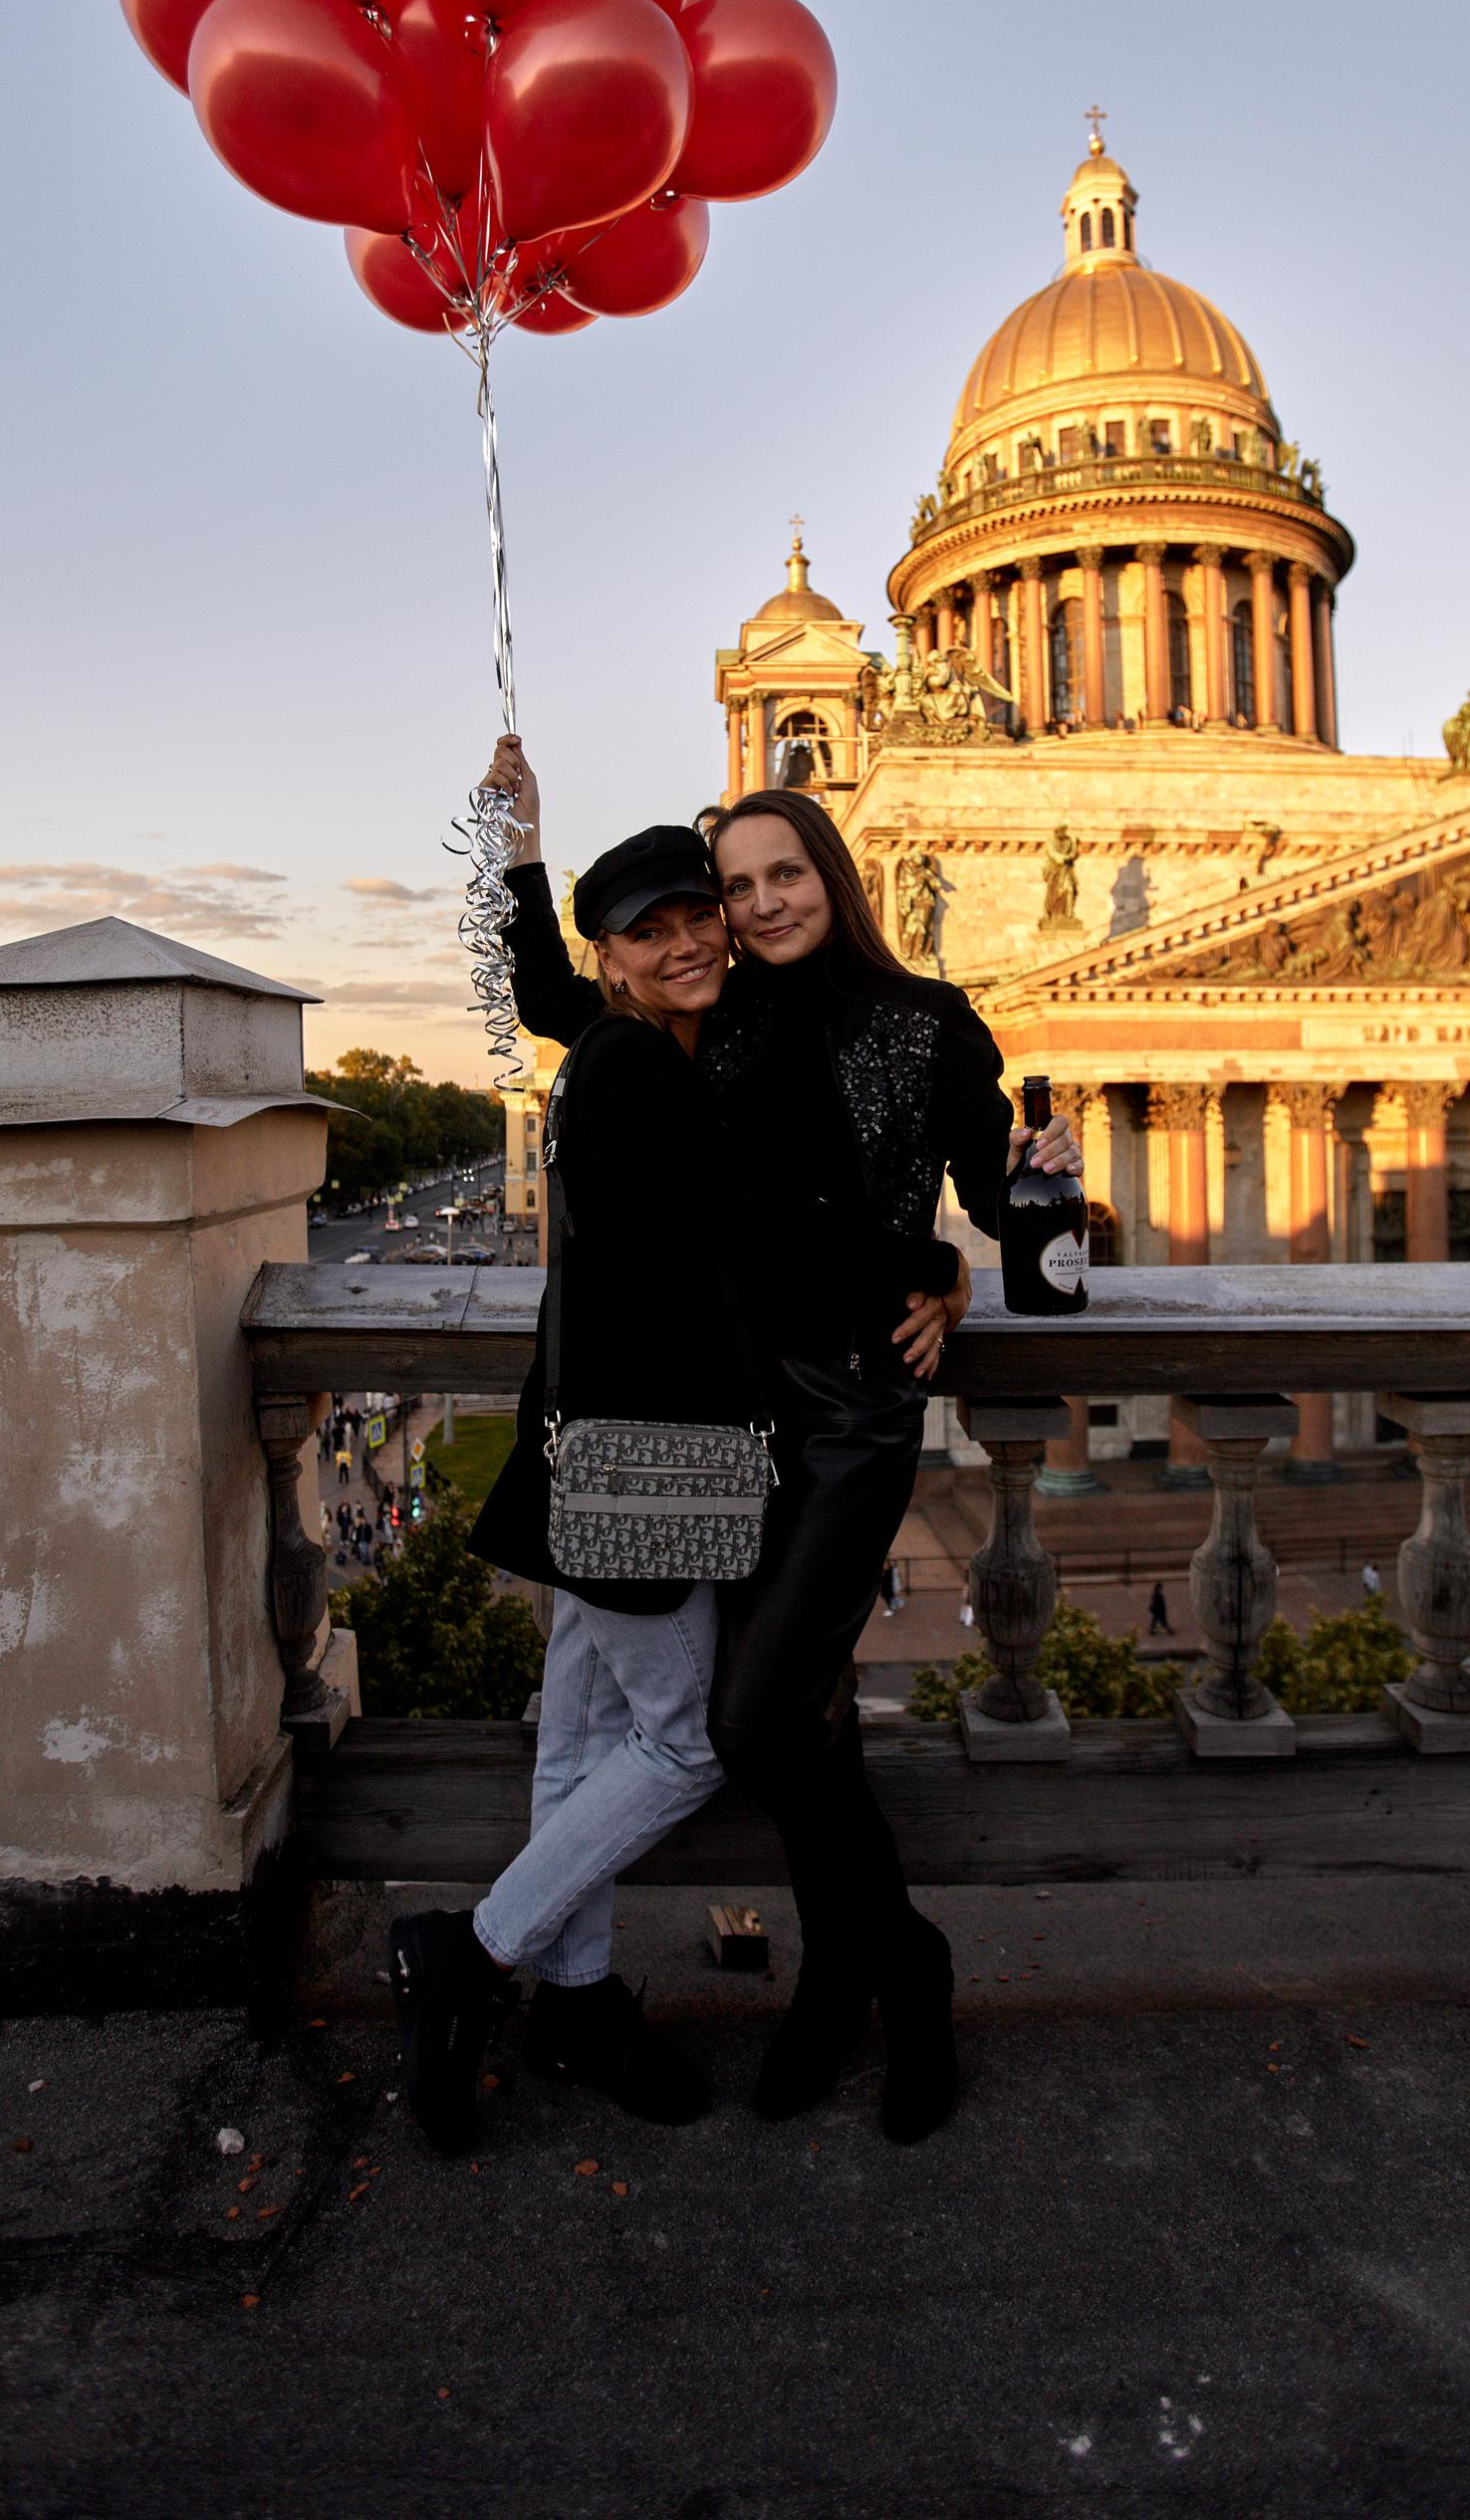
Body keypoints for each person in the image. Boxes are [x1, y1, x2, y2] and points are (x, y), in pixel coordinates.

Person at [486, 737, 1085, 2144]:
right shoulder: (718, 1016)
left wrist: (987, 1235)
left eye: (779, 875)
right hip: (732, 1415)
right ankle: (839, 1979)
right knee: (800, 1719)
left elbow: (994, 1196)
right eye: (733, 885)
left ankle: (905, 1968)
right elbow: (557, 997)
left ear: (834, 870)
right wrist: (522, 852)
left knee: (748, 1720)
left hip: (853, 1417)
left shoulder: (935, 1021)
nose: (754, 907)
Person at [394, 815, 945, 2156]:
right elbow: (763, 1213)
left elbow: (538, 988)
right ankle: (470, 1954)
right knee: (690, 1743)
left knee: (578, 1741)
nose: (694, 938)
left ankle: (575, 2004)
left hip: (626, 1437)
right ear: (619, 963)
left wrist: (520, 861)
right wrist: (922, 1267)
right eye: (654, 931)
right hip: (647, 1448)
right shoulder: (634, 1068)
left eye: (699, 912)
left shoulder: (667, 1030)